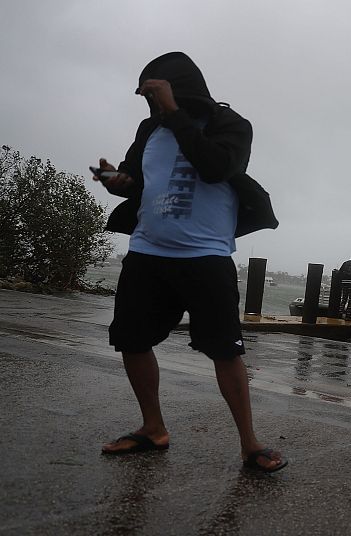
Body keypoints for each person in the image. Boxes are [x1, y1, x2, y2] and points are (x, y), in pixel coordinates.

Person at [93, 52, 285, 473]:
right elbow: (136, 182)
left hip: (206, 255)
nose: (152, 104)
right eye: (146, 96)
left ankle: (250, 444)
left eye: (155, 92)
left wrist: (176, 113)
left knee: (225, 350)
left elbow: (216, 167)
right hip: (147, 252)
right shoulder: (149, 130)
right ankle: (153, 428)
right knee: (131, 339)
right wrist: (112, 179)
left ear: (179, 88)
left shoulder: (229, 126)